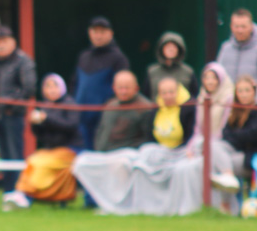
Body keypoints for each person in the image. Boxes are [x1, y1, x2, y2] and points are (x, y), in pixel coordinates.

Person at [72, 76, 196, 216]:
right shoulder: (112, 105)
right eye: (164, 92)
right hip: (139, 153)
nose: (167, 96)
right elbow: (102, 131)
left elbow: (147, 138)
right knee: (84, 162)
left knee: (134, 164)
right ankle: (100, 202)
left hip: (175, 154)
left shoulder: (180, 108)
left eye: (171, 92)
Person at [2, 73, 81, 209]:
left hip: (69, 149)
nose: (51, 90)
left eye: (54, 86)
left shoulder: (69, 104)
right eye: (47, 87)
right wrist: (35, 124)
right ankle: (22, 193)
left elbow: (70, 126)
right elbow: (41, 135)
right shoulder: (45, 106)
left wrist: (47, 119)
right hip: (51, 150)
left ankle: (26, 195)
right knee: (32, 161)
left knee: (41, 163)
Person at [0, 26, 36, 195]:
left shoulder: (23, 61)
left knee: (15, 155)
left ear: (13, 42)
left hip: (12, 115)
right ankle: (8, 191)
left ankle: (19, 192)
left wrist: (11, 106)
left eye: (4, 41)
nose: (0, 45)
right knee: (4, 156)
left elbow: (29, 89)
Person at [72, 16, 130, 150]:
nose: (98, 35)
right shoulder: (84, 56)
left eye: (102, 32)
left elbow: (122, 90)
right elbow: (74, 83)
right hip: (80, 120)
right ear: (89, 33)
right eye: (95, 31)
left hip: (104, 121)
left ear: (111, 33)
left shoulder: (118, 58)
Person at [92, 70, 154, 152]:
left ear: (136, 88)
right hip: (102, 153)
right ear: (114, 88)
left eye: (127, 88)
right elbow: (101, 130)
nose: (123, 92)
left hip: (127, 155)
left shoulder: (145, 108)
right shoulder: (110, 105)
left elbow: (147, 140)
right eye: (120, 88)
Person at [184, 62, 234, 158]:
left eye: (214, 78)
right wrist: (190, 147)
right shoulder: (202, 97)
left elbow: (223, 128)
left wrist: (207, 145)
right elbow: (198, 128)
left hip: (221, 143)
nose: (210, 82)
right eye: (206, 78)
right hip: (201, 142)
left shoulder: (228, 98)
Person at [143, 31, 198, 98]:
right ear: (161, 49)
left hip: (182, 108)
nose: (171, 49)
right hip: (157, 108)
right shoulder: (152, 72)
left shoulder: (188, 72)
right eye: (168, 46)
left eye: (174, 47)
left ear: (179, 49)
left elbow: (194, 95)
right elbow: (146, 95)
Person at [216, 8, 257, 82]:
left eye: (243, 26)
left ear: (251, 26)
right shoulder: (225, 48)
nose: (240, 30)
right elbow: (218, 76)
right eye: (236, 26)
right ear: (231, 26)